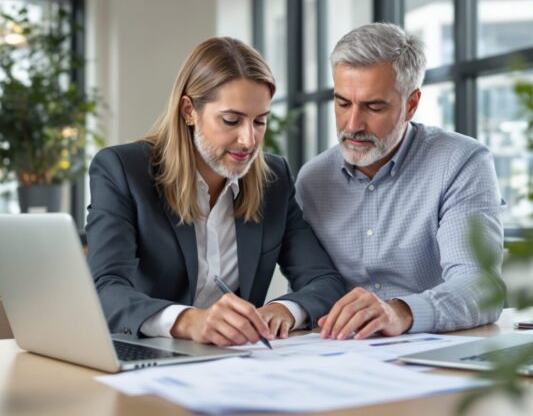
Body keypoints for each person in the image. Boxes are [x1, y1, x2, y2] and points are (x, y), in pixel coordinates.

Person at [86, 37, 346, 347]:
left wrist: (284, 310)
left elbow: (324, 281)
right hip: (148, 353)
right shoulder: (123, 170)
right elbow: (104, 289)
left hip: (234, 363)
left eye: (260, 121)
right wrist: (188, 321)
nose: (249, 140)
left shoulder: (273, 180)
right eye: (231, 120)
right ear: (189, 111)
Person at [295, 23, 506, 341]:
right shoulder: (312, 180)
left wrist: (403, 311)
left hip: (431, 352)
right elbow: (310, 286)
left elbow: (481, 285)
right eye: (342, 104)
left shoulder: (461, 163)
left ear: (411, 104)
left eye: (373, 106)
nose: (353, 124)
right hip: (334, 354)